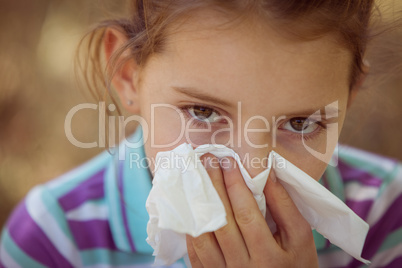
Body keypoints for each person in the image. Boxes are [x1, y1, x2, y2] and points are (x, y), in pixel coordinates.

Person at [1, 0, 401, 267]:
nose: (252, 170)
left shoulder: (387, 215)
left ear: (350, 93)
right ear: (128, 75)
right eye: (203, 112)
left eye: (299, 124)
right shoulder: (55, 238)